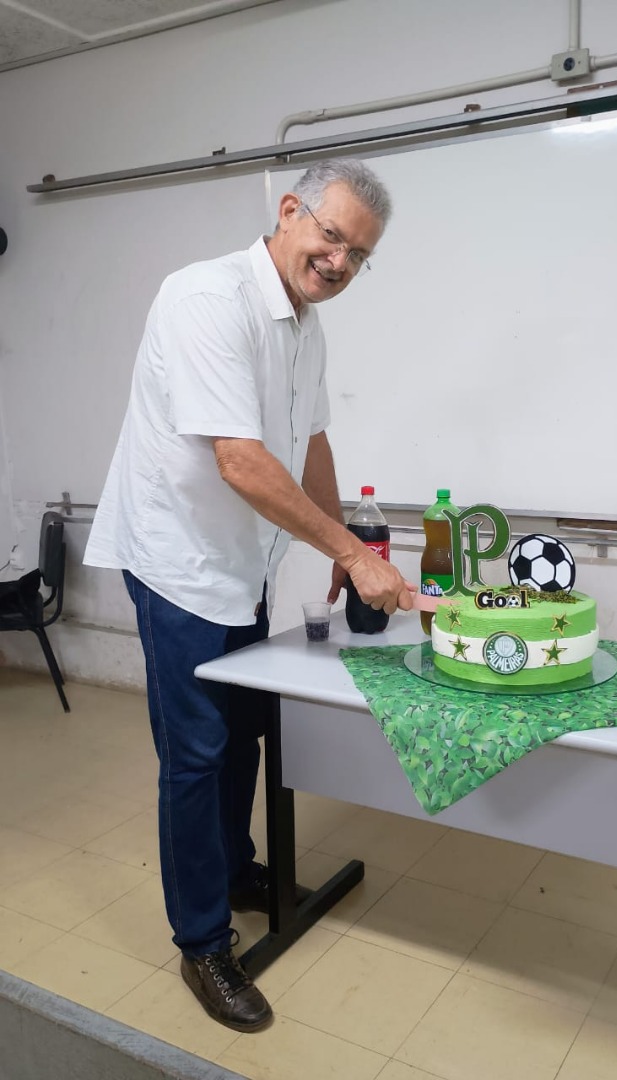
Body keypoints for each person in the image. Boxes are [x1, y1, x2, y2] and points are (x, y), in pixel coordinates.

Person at [84, 159, 415, 1033]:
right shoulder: (207, 298)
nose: (339, 261)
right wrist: (347, 549)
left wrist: (347, 549)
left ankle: (236, 867)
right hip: (178, 559)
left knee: (244, 734)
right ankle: (203, 943)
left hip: (241, 563)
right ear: (290, 209)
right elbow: (240, 459)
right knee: (195, 751)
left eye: (358, 255)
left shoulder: (306, 327)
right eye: (331, 235)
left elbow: (307, 443)